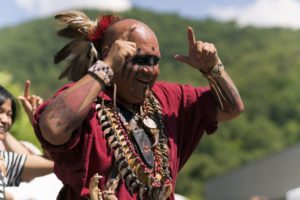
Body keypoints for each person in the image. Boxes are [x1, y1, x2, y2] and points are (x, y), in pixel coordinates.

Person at [33, 10, 244, 200]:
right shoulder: (86, 101)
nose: (150, 70)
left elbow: (232, 108)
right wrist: (107, 67)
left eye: (155, 62)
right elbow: (53, 126)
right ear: (110, 54)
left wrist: (213, 69)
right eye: (140, 61)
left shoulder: (169, 98)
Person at [0, 83, 55, 199]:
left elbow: (53, 162)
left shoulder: (4, 163)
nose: (5, 120)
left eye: (9, 114)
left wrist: (36, 120)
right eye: (0, 111)